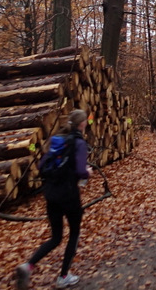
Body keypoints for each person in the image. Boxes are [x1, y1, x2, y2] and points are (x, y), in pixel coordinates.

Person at [16, 110, 91, 290]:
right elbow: (81, 171)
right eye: (86, 121)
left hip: (51, 194)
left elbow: (42, 165)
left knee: (56, 237)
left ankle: (28, 266)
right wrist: (87, 172)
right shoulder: (79, 143)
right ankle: (63, 276)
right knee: (74, 234)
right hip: (70, 195)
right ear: (82, 124)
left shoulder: (57, 140)